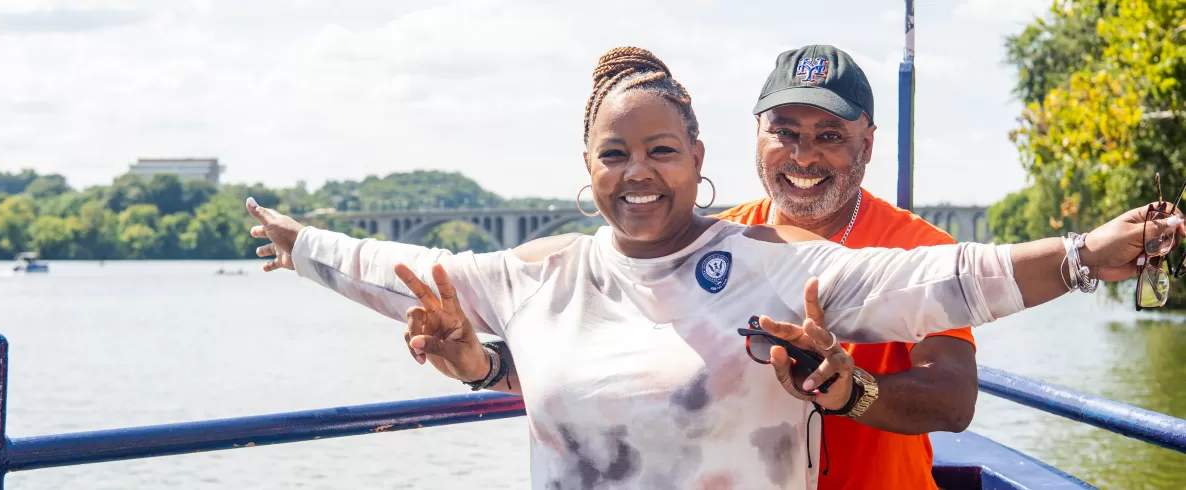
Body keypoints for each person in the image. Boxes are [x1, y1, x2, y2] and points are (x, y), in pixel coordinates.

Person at [246, 47, 1179, 490]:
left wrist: (1081, 256)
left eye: (661, 152)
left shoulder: (788, 263)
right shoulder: (551, 271)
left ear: (696, 158)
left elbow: (960, 282)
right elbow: (413, 272)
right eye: (614, 155)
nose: (638, 175)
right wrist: (308, 250)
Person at [410, 44, 980, 490]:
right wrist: (481, 365)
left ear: (868, 144)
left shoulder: (917, 247)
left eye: (829, 136)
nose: (803, 155)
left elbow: (953, 399)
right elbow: (597, 356)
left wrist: (853, 391)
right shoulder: (713, 243)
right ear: (757, 135)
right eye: (784, 132)